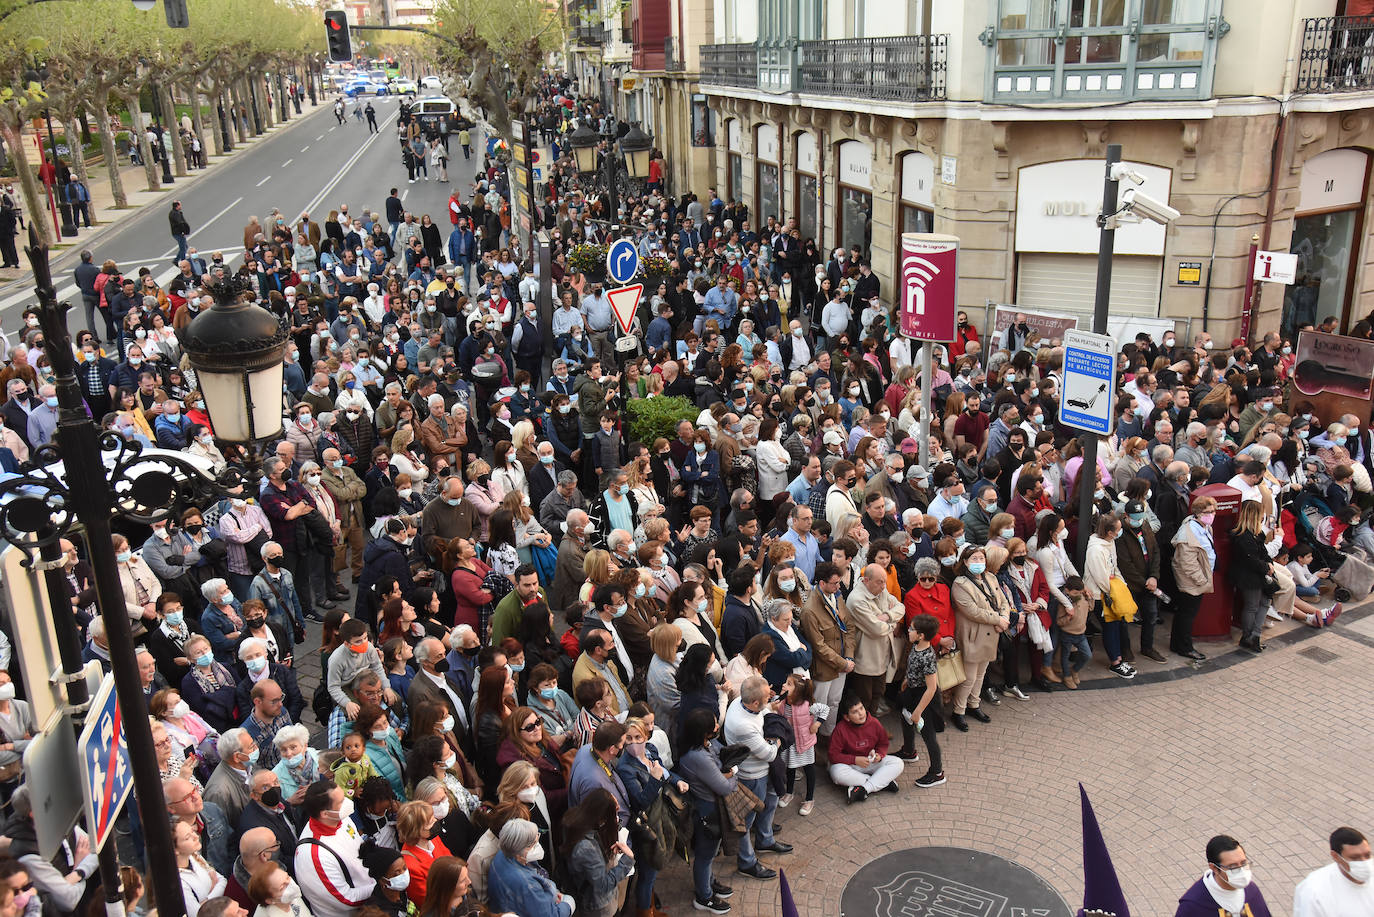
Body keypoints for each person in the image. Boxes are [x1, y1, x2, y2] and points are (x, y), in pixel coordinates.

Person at [722, 675, 791, 879]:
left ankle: (765, 839)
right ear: (753, 702)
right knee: (746, 821)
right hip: (751, 777)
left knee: (771, 801)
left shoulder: (739, 702)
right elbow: (769, 753)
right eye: (765, 699)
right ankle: (747, 861)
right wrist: (778, 739)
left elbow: (762, 715)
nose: (769, 699)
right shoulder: (743, 726)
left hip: (762, 771)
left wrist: (768, 708)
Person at [296, 781, 377, 917]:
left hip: (370, 898)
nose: (347, 802)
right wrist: (380, 887)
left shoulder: (342, 819)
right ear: (325, 814)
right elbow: (345, 900)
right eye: (340, 802)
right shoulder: (314, 854)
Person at [560, 788, 636, 917]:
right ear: (602, 818)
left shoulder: (576, 820)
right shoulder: (586, 848)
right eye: (613, 815)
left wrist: (612, 815)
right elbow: (603, 885)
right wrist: (627, 860)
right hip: (599, 907)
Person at [486, 819, 572, 917]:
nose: (537, 846)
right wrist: (568, 904)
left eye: (537, 839)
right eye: (532, 845)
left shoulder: (504, 852)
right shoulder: (527, 884)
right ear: (518, 852)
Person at [1174, 834, 1273, 917]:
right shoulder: (1192, 906)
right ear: (1214, 868)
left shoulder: (1251, 890)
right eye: (1232, 866)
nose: (1241, 871)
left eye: (1243, 863)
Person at [1293, 826, 1374, 916]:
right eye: (1354, 858)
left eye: (1367, 855)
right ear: (1336, 856)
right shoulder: (1314, 892)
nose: (1364, 862)